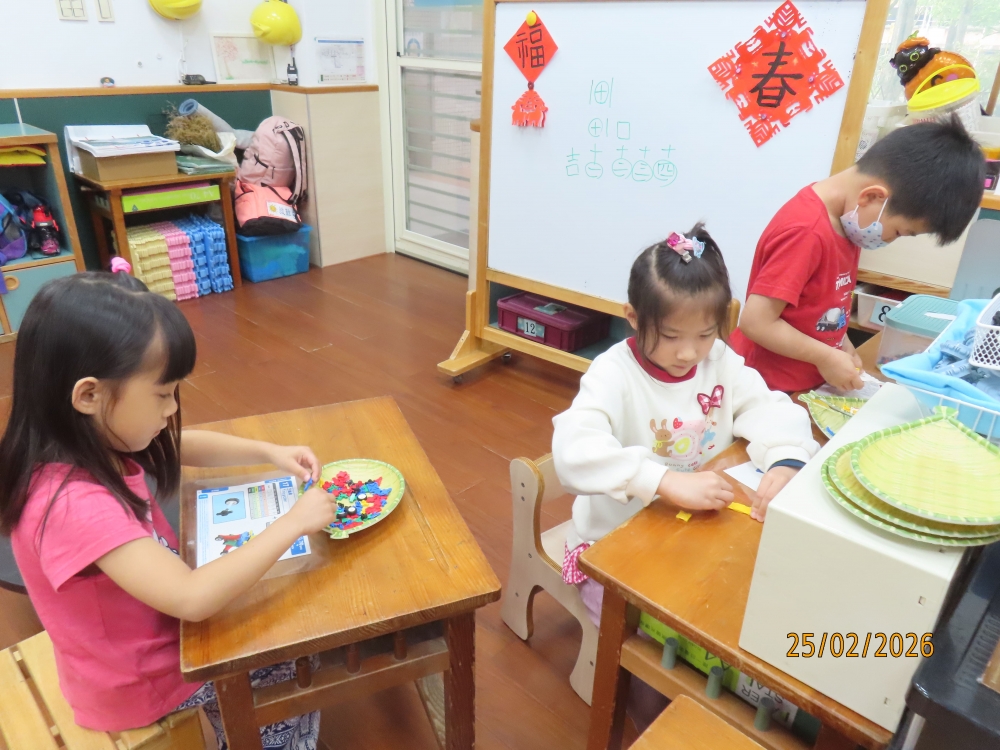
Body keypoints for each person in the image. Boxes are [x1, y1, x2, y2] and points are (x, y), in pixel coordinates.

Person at [0, 270, 339, 750]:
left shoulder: (80, 441)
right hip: (144, 679)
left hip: (138, 647)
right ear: (89, 395)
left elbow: (180, 444)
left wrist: (268, 451)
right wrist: (294, 522)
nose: (171, 410)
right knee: (290, 657)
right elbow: (191, 598)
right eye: (162, 395)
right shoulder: (71, 504)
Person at [552, 226, 819, 729]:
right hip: (612, 545)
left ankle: (712, 712)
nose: (689, 353)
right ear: (634, 318)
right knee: (651, 653)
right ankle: (659, 726)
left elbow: (767, 406)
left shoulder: (720, 361)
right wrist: (662, 481)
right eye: (671, 336)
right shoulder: (613, 373)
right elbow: (572, 451)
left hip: (690, 529)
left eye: (705, 334)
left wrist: (787, 458)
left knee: (725, 614)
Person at [731, 116, 985, 393]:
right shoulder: (807, 232)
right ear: (872, 197)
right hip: (766, 388)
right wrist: (825, 357)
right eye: (899, 232)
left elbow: (817, 309)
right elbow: (756, 322)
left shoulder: (847, 221)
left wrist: (841, 344)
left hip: (807, 384)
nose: (889, 240)